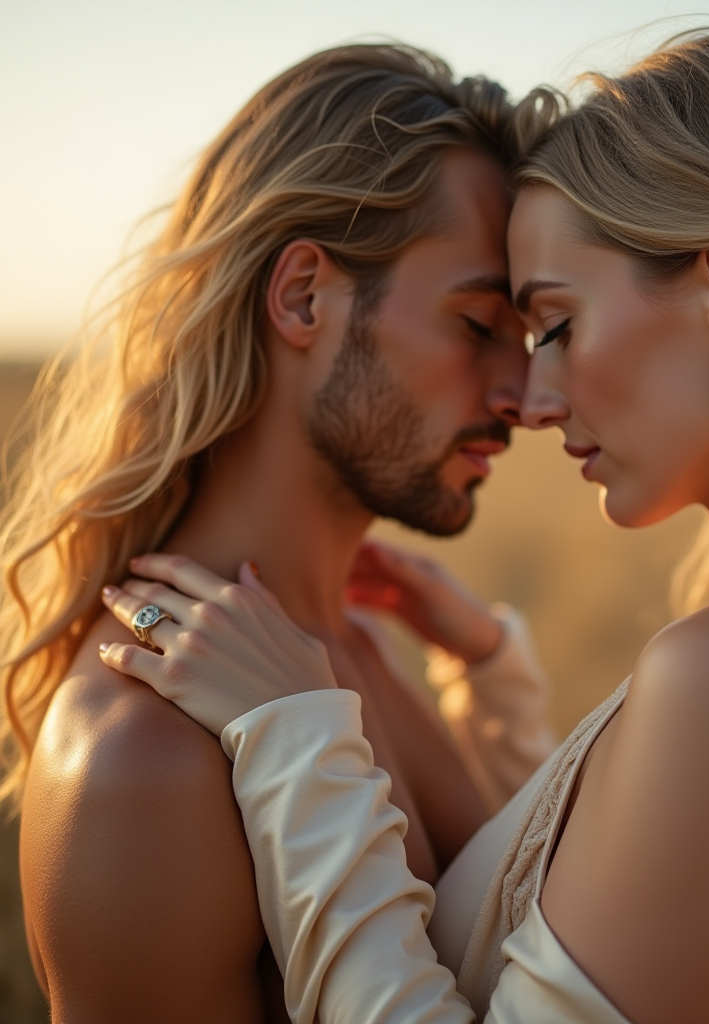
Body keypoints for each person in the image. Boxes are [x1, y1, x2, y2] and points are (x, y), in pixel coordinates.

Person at [97, 28, 709, 1024]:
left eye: (555, 325)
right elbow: (631, 910)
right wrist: (497, 694)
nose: (531, 399)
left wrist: (291, 744)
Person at [0, 45, 559, 1021]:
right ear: (304, 296)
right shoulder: (145, 756)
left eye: (529, 336)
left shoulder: (364, 658)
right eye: (476, 325)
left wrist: (493, 676)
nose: (522, 395)